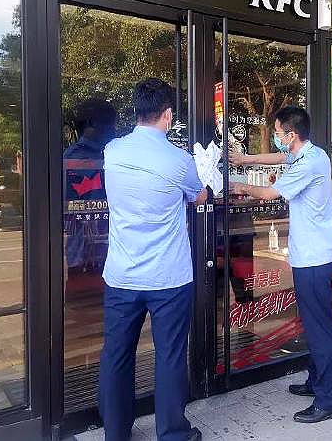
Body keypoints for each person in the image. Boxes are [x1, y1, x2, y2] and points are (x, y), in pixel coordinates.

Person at [99, 78, 207, 441]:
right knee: (170, 356)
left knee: (116, 355)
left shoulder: (112, 151)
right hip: (169, 278)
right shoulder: (179, 160)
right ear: (168, 115)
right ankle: (172, 433)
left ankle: (115, 432)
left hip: (121, 275)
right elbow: (198, 196)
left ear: (136, 111)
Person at [230, 106, 332, 424]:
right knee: (313, 323)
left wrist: (240, 186)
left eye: (279, 133)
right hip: (309, 256)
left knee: (320, 328)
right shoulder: (311, 154)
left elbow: (269, 192)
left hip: (313, 260)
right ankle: (316, 381)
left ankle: (329, 400)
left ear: (292, 135)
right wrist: (246, 160)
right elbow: (279, 157)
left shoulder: (308, 164)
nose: (277, 137)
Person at [64, 98, 117, 278]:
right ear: (93, 124)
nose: (114, 130)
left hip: (110, 250)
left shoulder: (112, 155)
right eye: (110, 124)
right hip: (84, 255)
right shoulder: (74, 159)